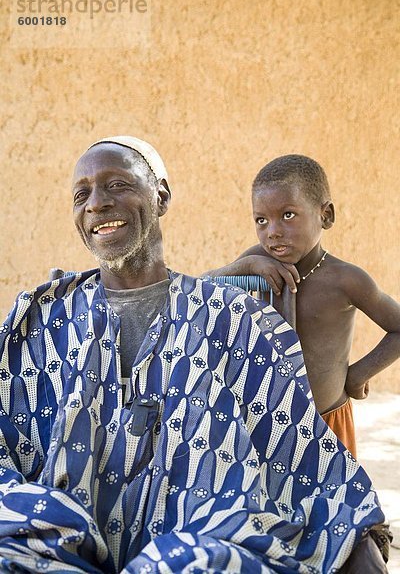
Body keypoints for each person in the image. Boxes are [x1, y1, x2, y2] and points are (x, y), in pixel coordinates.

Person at [0, 139, 389, 573]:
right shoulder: (44, 319)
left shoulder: (232, 319)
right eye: (81, 194)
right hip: (55, 544)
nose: (96, 204)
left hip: (199, 542)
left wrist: (353, 531)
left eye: (117, 184)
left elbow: (300, 458)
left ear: (160, 196)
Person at [205, 154, 400, 459]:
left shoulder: (346, 279)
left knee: (328, 505)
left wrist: (357, 375)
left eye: (288, 215)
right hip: (265, 421)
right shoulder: (256, 262)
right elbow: (200, 292)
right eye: (261, 220)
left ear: (326, 215)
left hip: (326, 422)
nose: (273, 231)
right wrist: (243, 265)